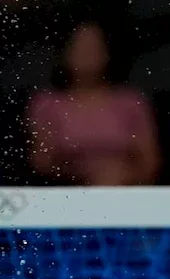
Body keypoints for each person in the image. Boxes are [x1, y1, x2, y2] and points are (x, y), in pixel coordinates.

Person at [26, 20, 161, 186]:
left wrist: (120, 177)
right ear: (65, 53)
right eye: (80, 46)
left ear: (107, 53)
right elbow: (42, 163)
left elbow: (150, 163)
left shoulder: (132, 102)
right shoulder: (47, 103)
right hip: (68, 193)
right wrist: (86, 174)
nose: (88, 53)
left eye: (94, 47)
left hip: (124, 190)